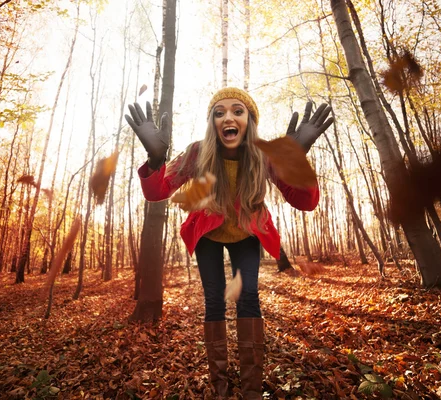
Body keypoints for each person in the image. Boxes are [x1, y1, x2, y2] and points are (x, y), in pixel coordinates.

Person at [125, 87, 333, 399]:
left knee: (248, 298)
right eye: (219, 113)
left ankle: (251, 389)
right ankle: (219, 387)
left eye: (238, 110)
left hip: (247, 232)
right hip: (208, 232)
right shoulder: (198, 152)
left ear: (250, 120)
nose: (228, 117)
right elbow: (158, 191)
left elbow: (305, 201)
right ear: (212, 123)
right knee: (214, 301)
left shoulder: (263, 155)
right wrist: (156, 160)